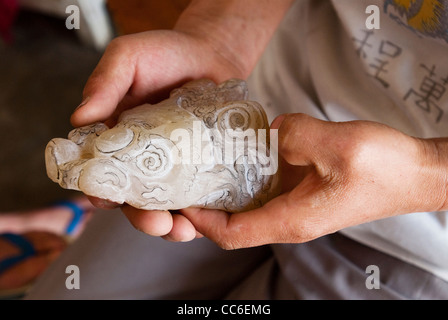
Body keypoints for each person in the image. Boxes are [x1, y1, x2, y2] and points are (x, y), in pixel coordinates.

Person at [25, 0, 448, 299]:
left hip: (419, 243)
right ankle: (77, 216)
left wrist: (428, 174)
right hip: (266, 94)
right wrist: (219, 34)